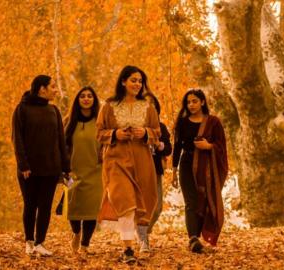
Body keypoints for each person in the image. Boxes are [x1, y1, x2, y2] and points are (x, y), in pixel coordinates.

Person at [96, 65, 159, 264]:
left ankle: (138, 242)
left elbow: (157, 132)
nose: (137, 84)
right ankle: (128, 249)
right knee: (125, 202)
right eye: (133, 80)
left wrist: (146, 133)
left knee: (143, 202)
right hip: (116, 160)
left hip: (142, 160)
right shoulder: (109, 105)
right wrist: (115, 134)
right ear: (123, 81)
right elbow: (99, 133)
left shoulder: (147, 107)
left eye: (140, 81)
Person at [12, 75, 70, 256]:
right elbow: (17, 139)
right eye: (52, 86)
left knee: (45, 207)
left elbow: (61, 140)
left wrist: (66, 168)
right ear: (41, 89)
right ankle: (29, 241)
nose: (55, 90)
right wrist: (23, 165)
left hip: (51, 168)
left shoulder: (54, 110)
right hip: (29, 169)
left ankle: (40, 243)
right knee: (30, 205)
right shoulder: (22, 109)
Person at [172, 89, 228, 253]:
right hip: (187, 163)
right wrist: (174, 171)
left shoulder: (213, 122)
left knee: (203, 200)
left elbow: (221, 145)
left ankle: (199, 237)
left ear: (202, 102)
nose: (191, 105)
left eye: (195, 101)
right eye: (188, 102)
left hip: (207, 167)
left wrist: (209, 146)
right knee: (191, 201)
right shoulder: (182, 122)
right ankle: (193, 239)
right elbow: (177, 147)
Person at [63, 86, 102, 254]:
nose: (86, 99)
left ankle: (85, 245)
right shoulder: (68, 121)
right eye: (82, 96)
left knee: (91, 211)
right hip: (73, 172)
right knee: (73, 209)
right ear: (77, 100)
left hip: (96, 172)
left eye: (89, 96)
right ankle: (76, 233)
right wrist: (64, 169)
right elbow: (62, 146)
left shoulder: (101, 121)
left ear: (94, 100)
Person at [141, 93, 172, 251]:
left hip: (156, 170)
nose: (149, 106)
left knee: (157, 206)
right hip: (138, 171)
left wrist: (159, 144)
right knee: (141, 206)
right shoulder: (134, 126)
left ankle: (144, 231)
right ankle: (143, 239)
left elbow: (168, 148)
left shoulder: (161, 126)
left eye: (152, 103)